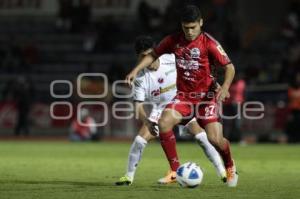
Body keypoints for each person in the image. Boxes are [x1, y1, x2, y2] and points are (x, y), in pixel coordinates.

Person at [125, 5, 238, 187]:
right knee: (163, 123)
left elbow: (230, 67)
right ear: (181, 25)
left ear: (201, 23)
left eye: (193, 27)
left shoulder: (210, 43)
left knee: (215, 139)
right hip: (184, 97)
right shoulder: (173, 40)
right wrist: (135, 70)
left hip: (205, 98)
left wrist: (224, 87)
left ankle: (230, 165)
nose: (190, 31)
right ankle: (176, 170)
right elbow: (153, 54)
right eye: (186, 28)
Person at [116, 36, 226, 186]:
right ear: (138, 57)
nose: (147, 59)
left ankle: (223, 172)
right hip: (160, 109)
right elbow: (138, 106)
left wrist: (215, 84)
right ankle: (128, 177)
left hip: (183, 103)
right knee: (139, 140)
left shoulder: (170, 58)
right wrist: (146, 122)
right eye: (142, 56)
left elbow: (197, 70)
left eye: (149, 55)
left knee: (201, 137)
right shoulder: (140, 78)